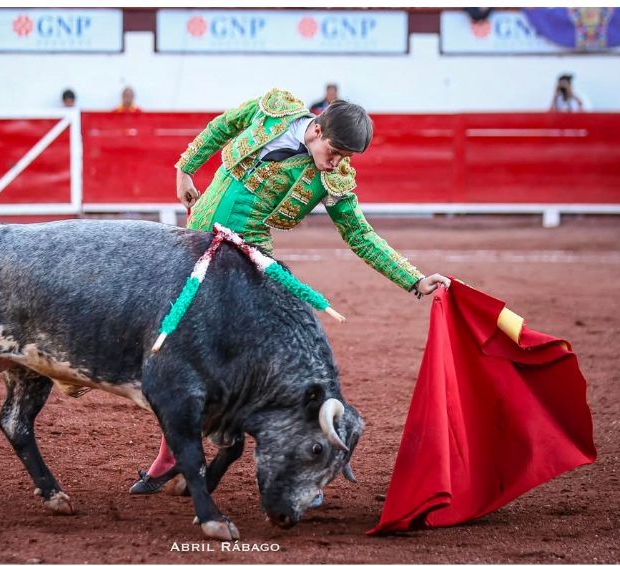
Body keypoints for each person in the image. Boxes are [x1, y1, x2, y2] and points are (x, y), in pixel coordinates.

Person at [129, 87, 450, 495]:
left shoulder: (332, 179)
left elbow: (360, 235)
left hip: (246, 262)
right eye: (335, 152)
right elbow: (222, 127)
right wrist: (185, 169)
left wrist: (414, 279)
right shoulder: (273, 111)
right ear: (316, 130)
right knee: (174, 347)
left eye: (345, 158)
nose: (337, 163)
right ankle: (179, 454)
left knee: (255, 361)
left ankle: (296, 464)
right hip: (192, 242)